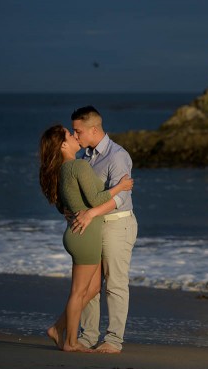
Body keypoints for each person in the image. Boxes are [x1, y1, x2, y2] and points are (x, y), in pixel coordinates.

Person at [38, 125, 133, 352]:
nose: (74, 136)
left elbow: (64, 206)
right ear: (63, 144)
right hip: (86, 235)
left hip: (78, 234)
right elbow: (96, 198)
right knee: (79, 292)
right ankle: (70, 342)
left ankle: (58, 329)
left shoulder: (61, 170)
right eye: (70, 135)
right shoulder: (78, 165)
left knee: (91, 290)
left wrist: (75, 212)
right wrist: (121, 186)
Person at [69, 106, 137, 354]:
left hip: (118, 224)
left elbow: (121, 197)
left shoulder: (118, 156)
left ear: (93, 129)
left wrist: (90, 213)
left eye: (77, 131)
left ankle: (114, 340)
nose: (74, 136)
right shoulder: (84, 158)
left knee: (115, 284)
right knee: (91, 284)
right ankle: (87, 337)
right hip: (94, 225)